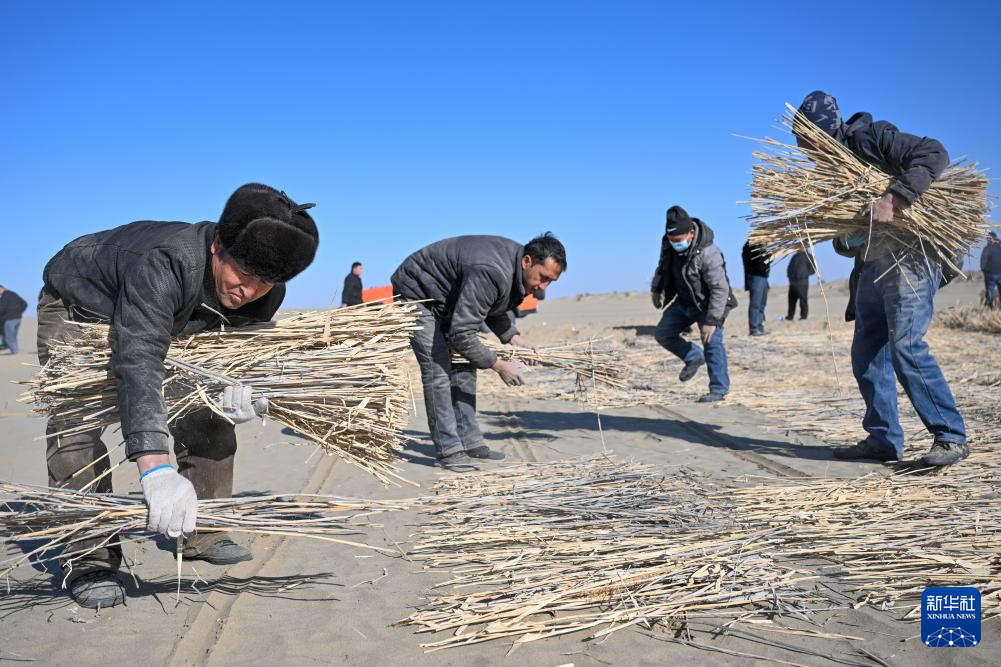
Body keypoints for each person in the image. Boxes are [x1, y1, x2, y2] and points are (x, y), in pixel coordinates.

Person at [38, 183, 319, 607]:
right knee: (75, 423)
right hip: (82, 303)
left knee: (207, 410)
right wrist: (155, 470)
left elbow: (236, 358)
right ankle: (89, 557)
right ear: (218, 244)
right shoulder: (167, 263)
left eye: (265, 283)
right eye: (243, 275)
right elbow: (139, 359)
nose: (249, 292)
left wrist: (250, 392)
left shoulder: (265, 290)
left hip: (172, 314)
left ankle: (202, 530)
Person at [795, 91, 967, 466]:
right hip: (872, 264)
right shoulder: (830, 173)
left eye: (804, 140)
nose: (802, 150)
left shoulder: (867, 138)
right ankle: (883, 439)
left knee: (906, 346)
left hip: (911, 256)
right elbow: (846, 237)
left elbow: (934, 152)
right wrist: (849, 238)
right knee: (867, 351)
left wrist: (893, 199)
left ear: (819, 132)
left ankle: (950, 436)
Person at [392, 233, 566, 471]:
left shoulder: (514, 268)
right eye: (543, 278)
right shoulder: (492, 271)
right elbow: (461, 334)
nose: (543, 287)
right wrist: (499, 366)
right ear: (527, 261)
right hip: (417, 293)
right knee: (437, 367)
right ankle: (448, 450)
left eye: (550, 282)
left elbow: (493, 305)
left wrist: (514, 338)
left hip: (447, 298)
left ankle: (470, 442)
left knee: (465, 363)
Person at [651, 206, 737, 403]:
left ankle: (718, 389)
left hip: (709, 305)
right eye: (672, 240)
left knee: (712, 342)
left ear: (690, 233)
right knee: (663, 334)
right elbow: (662, 267)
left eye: (678, 240)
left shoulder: (709, 253)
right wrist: (656, 290)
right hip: (684, 301)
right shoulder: (668, 244)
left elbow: (720, 289)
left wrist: (712, 320)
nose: (675, 244)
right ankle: (693, 356)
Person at [741, 240, 770, 335]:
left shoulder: (762, 245)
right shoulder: (750, 245)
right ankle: (754, 329)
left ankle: (759, 327)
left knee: (762, 304)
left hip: (764, 277)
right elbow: (755, 260)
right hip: (755, 276)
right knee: (755, 304)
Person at [785, 250, 815, 321]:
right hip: (793, 283)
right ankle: (790, 316)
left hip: (802, 282)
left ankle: (803, 316)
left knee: (803, 300)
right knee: (791, 301)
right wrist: (790, 276)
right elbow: (789, 268)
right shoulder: (794, 257)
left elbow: (813, 269)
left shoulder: (808, 256)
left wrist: (803, 275)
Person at [0, 285, 28, 354]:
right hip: (17, 319)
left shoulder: (4, 297)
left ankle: (15, 353)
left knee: (9, 337)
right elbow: (24, 303)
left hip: (9, 320)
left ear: (1, 289)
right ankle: (15, 351)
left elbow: (1, 309)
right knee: (13, 337)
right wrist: (19, 313)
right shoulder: (14, 294)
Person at [981, 231, 1001, 309]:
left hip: (990, 274)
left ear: (991, 238)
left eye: (988, 238)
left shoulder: (987, 248)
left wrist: (984, 270)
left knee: (990, 291)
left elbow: (983, 261)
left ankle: (990, 307)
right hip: (999, 273)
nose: (987, 240)